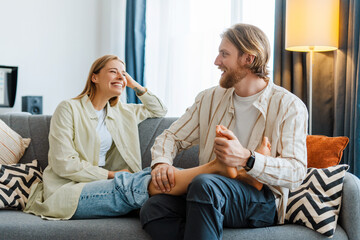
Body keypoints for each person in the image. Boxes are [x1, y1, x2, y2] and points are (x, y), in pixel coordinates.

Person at [23, 54, 269, 220]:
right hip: (70, 190)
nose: (120, 76)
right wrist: (111, 175)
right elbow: (64, 163)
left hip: (107, 184)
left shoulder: (122, 112)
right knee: (132, 184)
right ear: (94, 77)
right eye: (113, 72)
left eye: (124, 73)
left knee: (146, 178)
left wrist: (134, 84)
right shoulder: (69, 108)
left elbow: (158, 109)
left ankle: (218, 172)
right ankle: (214, 168)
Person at [140, 23, 308, 240]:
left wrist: (248, 158)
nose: (216, 61)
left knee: (204, 185)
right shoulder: (209, 99)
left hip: (261, 199)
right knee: (154, 209)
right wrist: (161, 162)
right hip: (210, 191)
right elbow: (171, 136)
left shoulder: (289, 106)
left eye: (224, 54)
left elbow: (296, 172)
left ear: (248, 58)